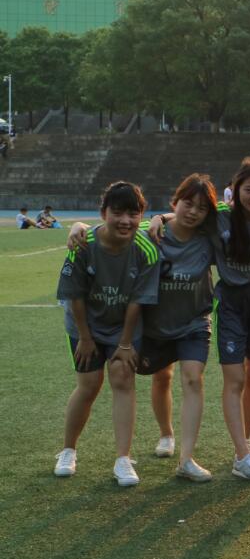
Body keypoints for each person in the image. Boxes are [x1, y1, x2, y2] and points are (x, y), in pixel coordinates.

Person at [53, 182, 160, 486]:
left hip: (123, 324)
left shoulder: (146, 249)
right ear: (103, 213)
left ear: (141, 215)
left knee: (122, 378)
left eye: (133, 214)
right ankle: (68, 451)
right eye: (118, 212)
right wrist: (86, 339)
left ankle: (123, 459)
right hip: (84, 323)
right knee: (88, 384)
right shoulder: (83, 243)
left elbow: (138, 300)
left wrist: (125, 343)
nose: (125, 220)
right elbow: (74, 295)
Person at [139, 174, 218, 482]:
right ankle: (166, 433)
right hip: (156, 324)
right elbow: (110, 231)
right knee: (162, 376)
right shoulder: (152, 234)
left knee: (193, 379)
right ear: (176, 202)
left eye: (202, 207)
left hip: (194, 322)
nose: (193, 211)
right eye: (188, 203)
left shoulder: (208, 238)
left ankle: (186, 459)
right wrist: (78, 227)